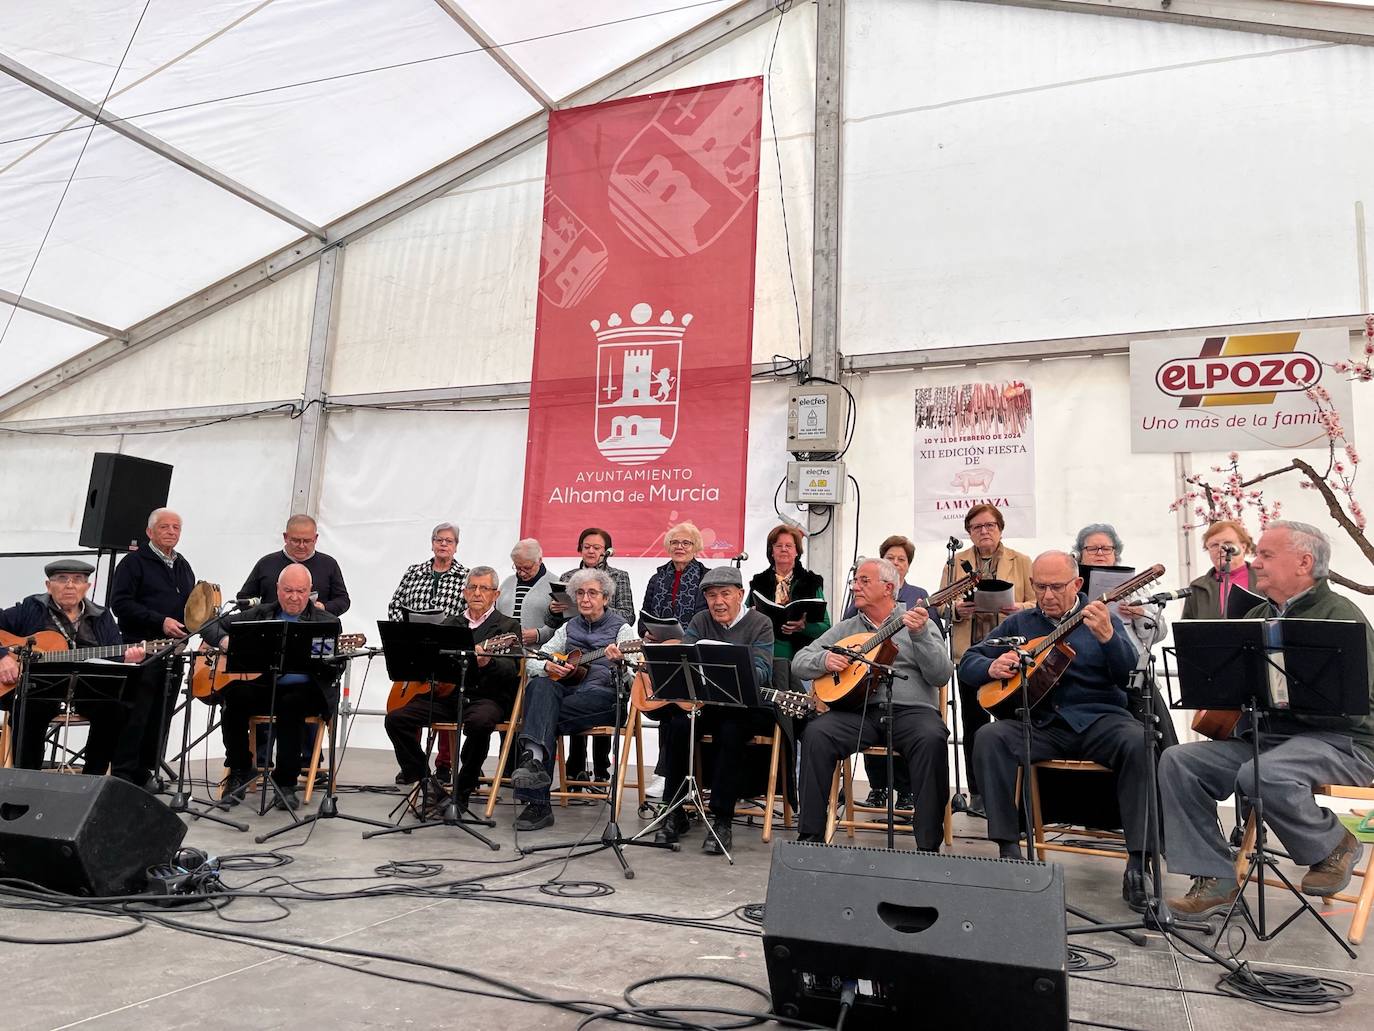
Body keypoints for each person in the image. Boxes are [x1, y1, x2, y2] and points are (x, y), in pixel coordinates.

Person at [1161, 521, 1374, 916]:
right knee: (1180, 761)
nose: (1255, 563)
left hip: (1341, 742)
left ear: (1304, 562)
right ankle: (1214, 876)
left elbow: (1361, 702)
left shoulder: (1341, 615)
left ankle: (1334, 844)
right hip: (1271, 740)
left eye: (1266, 555)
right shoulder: (1258, 614)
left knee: (1263, 772)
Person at [959, 550, 1154, 911]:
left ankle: (1139, 864)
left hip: (1099, 720)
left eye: (1056, 587)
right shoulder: (1022, 624)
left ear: (1077, 584)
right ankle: (1008, 851)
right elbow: (970, 661)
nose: (1047, 595)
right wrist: (992, 666)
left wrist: (1110, 638)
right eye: (1040, 586)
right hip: (1042, 723)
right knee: (990, 737)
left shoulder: (1102, 617)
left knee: (1138, 742)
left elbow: (1130, 679)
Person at [791, 557, 954, 852]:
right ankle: (809, 839)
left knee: (932, 738)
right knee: (817, 733)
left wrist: (919, 636)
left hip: (911, 712)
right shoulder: (847, 627)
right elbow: (799, 662)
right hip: (859, 712)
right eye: (856, 581)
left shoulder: (919, 621)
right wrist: (824, 660)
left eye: (864, 581)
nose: (856, 586)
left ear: (888, 588)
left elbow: (941, 674)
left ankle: (929, 846)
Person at [650, 566, 776, 854]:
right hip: (705, 702)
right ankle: (675, 810)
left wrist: (734, 665)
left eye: (725, 594)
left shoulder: (760, 623)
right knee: (678, 724)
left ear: (740, 595)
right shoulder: (700, 620)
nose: (718, 602)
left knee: (731, 731)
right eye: (711, 596)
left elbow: (763, 671)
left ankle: (722, 819)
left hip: (742, 705)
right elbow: (683, 658)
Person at [383, 566, 521, 812]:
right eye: (472, 587)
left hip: (485, 698)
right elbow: (431, 662)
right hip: (447, 696)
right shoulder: (451, 623)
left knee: (480, 723)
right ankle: (428, 785)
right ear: (464, 592)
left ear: (496, 595)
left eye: (484, 588)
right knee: (396, 719)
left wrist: (488, 661)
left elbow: (511, 671)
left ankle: (462, 791)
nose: (477, 593)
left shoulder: (507, 626)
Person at [509, 568, 635, 832]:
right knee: (541, 685)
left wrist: (621, 664)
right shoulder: (568, 628)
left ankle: (538, 800)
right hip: (570, 697)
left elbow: (636, 675)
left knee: (541, 714)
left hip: (606, 699)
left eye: (592, 593)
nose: (585, 598)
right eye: (579, 593)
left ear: (606, 598)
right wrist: (547, 668)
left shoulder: (622, 630)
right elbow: (535, 660)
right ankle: (536, 772)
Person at [210, 564, 342, 811]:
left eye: (301, 591)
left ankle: (286, 783)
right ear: (277, 590)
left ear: (310, 591)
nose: (294, 597)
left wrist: (326, 661)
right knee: (234, 696)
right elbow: (210, 625)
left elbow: (334, 669)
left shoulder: (326, 621)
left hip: (306, 690)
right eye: (288, 590)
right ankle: (240, 769)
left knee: (291, 705)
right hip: (266, 684)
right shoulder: (260, 613)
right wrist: (224, 640)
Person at [0, 560, 145, 773]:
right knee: (29, 709)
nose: (70, 585)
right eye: (62, 579)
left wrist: (127, 659)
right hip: (36, 688)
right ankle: (27, 781)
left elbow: (113, 657)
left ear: (88, 587)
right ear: (49, 586)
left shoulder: (102, 616)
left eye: (78, 580)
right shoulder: (31, 608)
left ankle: (92, 780)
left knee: (114, 709)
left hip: (86, 689)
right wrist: (3, 656)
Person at [939, 504, 1034, 815]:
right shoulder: (956, 562)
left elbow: (1041, 600)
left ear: (1001, 528)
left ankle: (1014, 792)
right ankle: (978, 792)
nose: (984, 531)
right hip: (972, 655)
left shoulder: (1020, 562)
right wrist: (955, 610)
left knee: (1011, 721)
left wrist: (1020, 607)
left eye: (990, 525)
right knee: (974, 725)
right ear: (969, 532)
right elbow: (940, 604)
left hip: (1011, 652)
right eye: (977, 527)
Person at [843, 534, 935, 810]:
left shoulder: (917, 598)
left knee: (914, 722)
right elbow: (844, 636)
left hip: (908, 694)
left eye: (901, 559)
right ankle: (878, 787)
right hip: (868, 691)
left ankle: (907, 792)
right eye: (890, 558)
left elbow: (934, 649)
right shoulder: (859, 603)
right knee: (867, 698)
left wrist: (920, 633)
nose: (896, 562)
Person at [109, 508, 196, 788]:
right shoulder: (133, 563)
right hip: (141, 652)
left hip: (173, 653)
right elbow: (120, 603)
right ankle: (124, 773)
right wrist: (160, 621)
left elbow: (191, 607)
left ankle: (146, 771)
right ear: (150, 532)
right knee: (137, 714)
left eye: (176, 528)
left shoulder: (183, 565)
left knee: (161, 715)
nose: (172, 532)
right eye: (165, 527)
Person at [545, 528, 636, 784]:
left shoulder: (618, 577)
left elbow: (628, 615)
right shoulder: (567, 577)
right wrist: (556, 609)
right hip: (573, 650)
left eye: (597, 547)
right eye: (586, 546)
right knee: (559, 688)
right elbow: (552, 622)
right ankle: (573, 770)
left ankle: (601, 771)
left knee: (594, 688)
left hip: (602, 660)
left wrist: (595, 609)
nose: (591, 551)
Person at [1073, 523, 1167, 653]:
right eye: (1092, 549)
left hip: (1127, 657)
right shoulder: (1070, 586)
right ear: (1080, 554)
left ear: (1115, 553)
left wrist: (1141, 616)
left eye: (1106, 548)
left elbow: (1158, 635)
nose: (1100, 553)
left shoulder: (1133, 585)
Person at [239, 514, 351, 616]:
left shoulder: (328, 564)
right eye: (296, 541)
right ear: (285, 537)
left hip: (315, 628)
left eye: (307, 541)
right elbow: (244, 598)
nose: (301, 546)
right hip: (270, 629)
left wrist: (324, 608)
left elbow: (343, 600)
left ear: (316, 538)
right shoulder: (266, 563)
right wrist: (264, 613)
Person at [388, 522, 468, 620]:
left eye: (449, 541)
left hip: (448, 634)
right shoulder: (413, 572)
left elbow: (469, 612)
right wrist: (407, 629)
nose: (443, 544)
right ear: (432, 544)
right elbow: (395, 605)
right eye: (439, 540)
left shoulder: (466, 576)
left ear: (456, 546)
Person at [1180, 519, 1256, 621]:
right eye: (1214, 545)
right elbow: (1187, 630)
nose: (1221, 548)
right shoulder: (1197, 588)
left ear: (1243, 546)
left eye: (1228, 543)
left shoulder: (1265, 579)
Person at [642, 521, 710, 631]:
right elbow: (645, 614)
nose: (679, 547)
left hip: (694, 641)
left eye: (686, 543)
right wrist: (645, 632)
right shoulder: (657, 578)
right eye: (674, 542)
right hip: (659, 642)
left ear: (695, 547)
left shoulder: (706, 578)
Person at [497, 539, 560, 648]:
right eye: (517, 567)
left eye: (527, 568)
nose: (521, 573)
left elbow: (563, 626)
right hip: (506, 655)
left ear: (539, 560)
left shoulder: (555, 585)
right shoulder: (506, 583)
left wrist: (539, 635)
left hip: (537, 655)